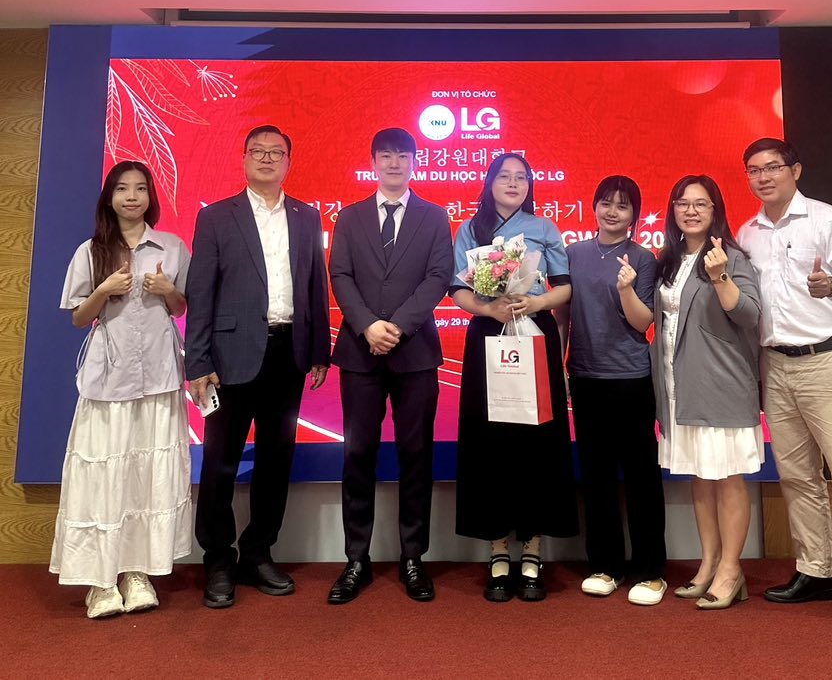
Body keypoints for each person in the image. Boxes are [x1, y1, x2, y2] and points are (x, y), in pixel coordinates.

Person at [737, 137, 832, 634]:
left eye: (773, 167)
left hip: (828, 362)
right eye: (754, 170)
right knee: (798, 477)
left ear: (795, 170)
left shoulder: (829, 220)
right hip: (775, 366)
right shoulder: (747, 233)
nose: (763, 177)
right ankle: (817, 571)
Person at [185, 124, 331, 609]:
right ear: (244, 159)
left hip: (289, 353)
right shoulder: (216, 216)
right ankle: (218, 559)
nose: (267, 158)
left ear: (289, 161)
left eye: (277, 152)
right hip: (228, 358)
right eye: (258, 151)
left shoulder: (307, 216)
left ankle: (258, 552)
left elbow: (315, 285)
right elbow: (201, 292)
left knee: (275, 460)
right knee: (220, 463)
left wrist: (319, 349)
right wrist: (197, 361)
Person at [51, 161, 192, 619]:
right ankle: (100, 580)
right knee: (104, 474)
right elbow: (78, 318)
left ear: (151, 197)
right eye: (122, 189)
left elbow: (181, 307)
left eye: (141, 188)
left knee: (145, 475)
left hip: (158, 376)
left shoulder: (172, 247)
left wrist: (168, 289)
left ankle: (137, 572)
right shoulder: (90, 251)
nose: (132, 197)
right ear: (109, 198)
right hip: (108, 380)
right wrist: (104, 290)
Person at [326, 127, 453, 604]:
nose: (394, 163)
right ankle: (356, 559)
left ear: (415, 162)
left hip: (415, 352)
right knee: (357, 454)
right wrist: (367, 326)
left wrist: (396, 326)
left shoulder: (434, 216)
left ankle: (413, 557)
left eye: (403, 155)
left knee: (415, 454)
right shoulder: (350, 216)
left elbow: (438, 276)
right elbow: (340, 274)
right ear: (374, 162)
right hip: (360, 353)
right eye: (386, 155)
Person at [451, 152, 578, 603]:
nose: (512, 183)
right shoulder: (470, 229)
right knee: (491, 441)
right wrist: (489, 308)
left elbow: (564, 287)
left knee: (535, 440)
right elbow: (458, 289)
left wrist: (536, 304)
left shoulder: (544, 227)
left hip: (534, 333)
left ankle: (534, 549)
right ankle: (498, 550)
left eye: (521, 177)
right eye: (504, 176)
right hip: (489, 333)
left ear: (529, 186)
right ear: (489, 182)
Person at [652, 174, 764, 611]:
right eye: (682, 203)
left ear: (715, 210)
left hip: (721, 385)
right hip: (679, 386)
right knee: (700, 477)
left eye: (701, 203)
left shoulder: (731, 257)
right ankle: (709, 563)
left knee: (728, 477)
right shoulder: (669, 260)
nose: (691, 211)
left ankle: (731, 570)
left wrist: (720, 278)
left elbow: (749, 314)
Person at [555, 176, 667, 606]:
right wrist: (559, 365)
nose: (612, 211)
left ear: (635, 214)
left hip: (632, 380)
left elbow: (643, 323)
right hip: (586, 377)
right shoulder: (574, 254)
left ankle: (650, 571)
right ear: (594, 206)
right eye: (606, 202)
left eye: (622, 205)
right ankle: (605, 566)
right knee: (596, 476)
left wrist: (625, 288)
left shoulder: (643, 258)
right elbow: (563, 316)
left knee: (641, 477)